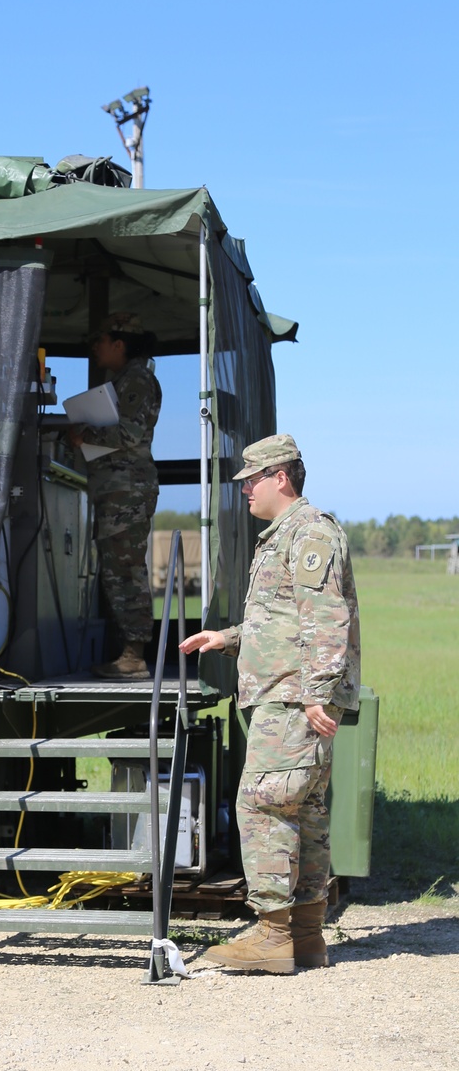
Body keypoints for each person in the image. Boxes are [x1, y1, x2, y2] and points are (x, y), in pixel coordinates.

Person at [179, 433, 360, 973]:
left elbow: (327, 618)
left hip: (292, 696)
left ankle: (271, 935)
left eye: (251, 481)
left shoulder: (309, 534)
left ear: (280, 477)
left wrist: (315, 695)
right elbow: (281, 618)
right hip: (289, 693)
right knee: (303, 810)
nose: (245, 492)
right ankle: (305, 936)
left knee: (263, 804)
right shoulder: (285, 535)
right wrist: (229, 636)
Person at [66, 312, 162, 678]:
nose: (96, 347)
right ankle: (128, 651)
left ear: (119, 344)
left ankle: (134, 656)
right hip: (117, 490)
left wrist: (84, 435)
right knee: (116, 570)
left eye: (101, 340)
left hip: (128, 492)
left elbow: (130, 433)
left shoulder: (137, 379)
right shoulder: (124, 380)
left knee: (125, 571)